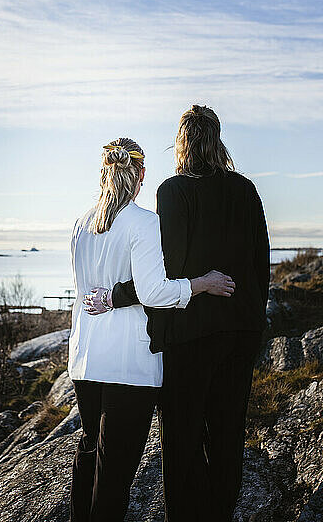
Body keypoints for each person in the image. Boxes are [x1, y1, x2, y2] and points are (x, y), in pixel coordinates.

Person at [88, 107, 270, 522]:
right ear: (218, 139)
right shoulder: (246, 190)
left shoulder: (173, 191)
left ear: (182, 142)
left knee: (182, 440)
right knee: (227, 434)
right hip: (241, 333)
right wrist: (251, 318)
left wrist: (119, 295)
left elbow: (166, 267)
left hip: (190, 335)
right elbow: (262, 264)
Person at [68, 136, 235, 522]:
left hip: (85, 360)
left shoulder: (80, 223)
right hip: (129, 365)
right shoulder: (143, 222)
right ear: (141, 174)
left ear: (103, 174)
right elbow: (154, 292)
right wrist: (200, 283)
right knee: (114, 475)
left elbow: (82, 288)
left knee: (90, 453)